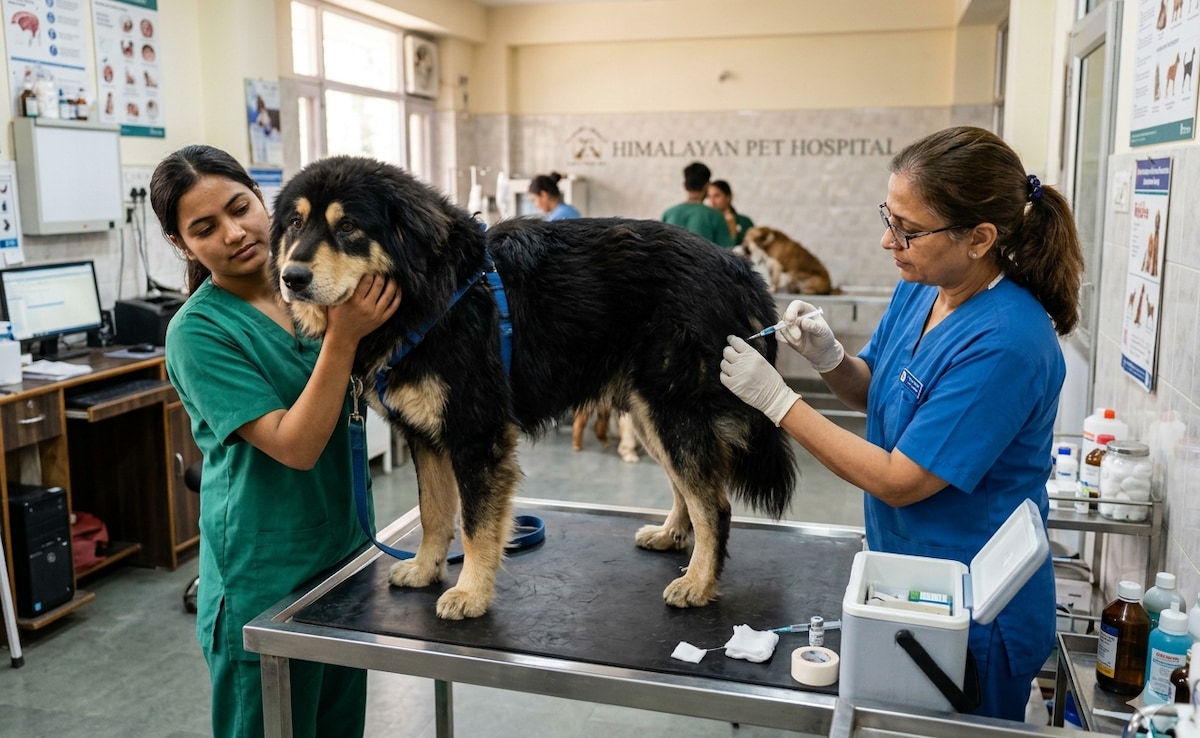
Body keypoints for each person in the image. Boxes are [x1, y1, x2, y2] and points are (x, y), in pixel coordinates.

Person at [719, 126, 1084, 721]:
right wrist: (831, 359)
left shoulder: (1007, 342)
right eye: (889, 216)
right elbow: (882, 394)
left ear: (979, 238)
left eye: (908, 230)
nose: (888, 241)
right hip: (910, 578)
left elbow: (899, 477)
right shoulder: (924, 287)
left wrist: (778, 401)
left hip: (974, 609)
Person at [151, 145, 400, 738]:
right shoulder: (198, 332)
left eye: (241, 207)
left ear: (265, 201)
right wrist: (344, 338)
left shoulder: (315, 286)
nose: (235, 233)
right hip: (264, 578)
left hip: (342, 559)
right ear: (183, 246)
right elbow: (295, 445)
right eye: (205, 228)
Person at [662, 161, 733, 247]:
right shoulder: (715, 216)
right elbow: (727, 254)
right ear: (707, 186)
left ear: (685, 185)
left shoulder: (668, 214)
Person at [706, 179, 754, 245]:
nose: (712, 201)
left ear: (728, 197)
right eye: (709, 197)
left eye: (716, 196)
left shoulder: (744, 222)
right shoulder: (706, 222)